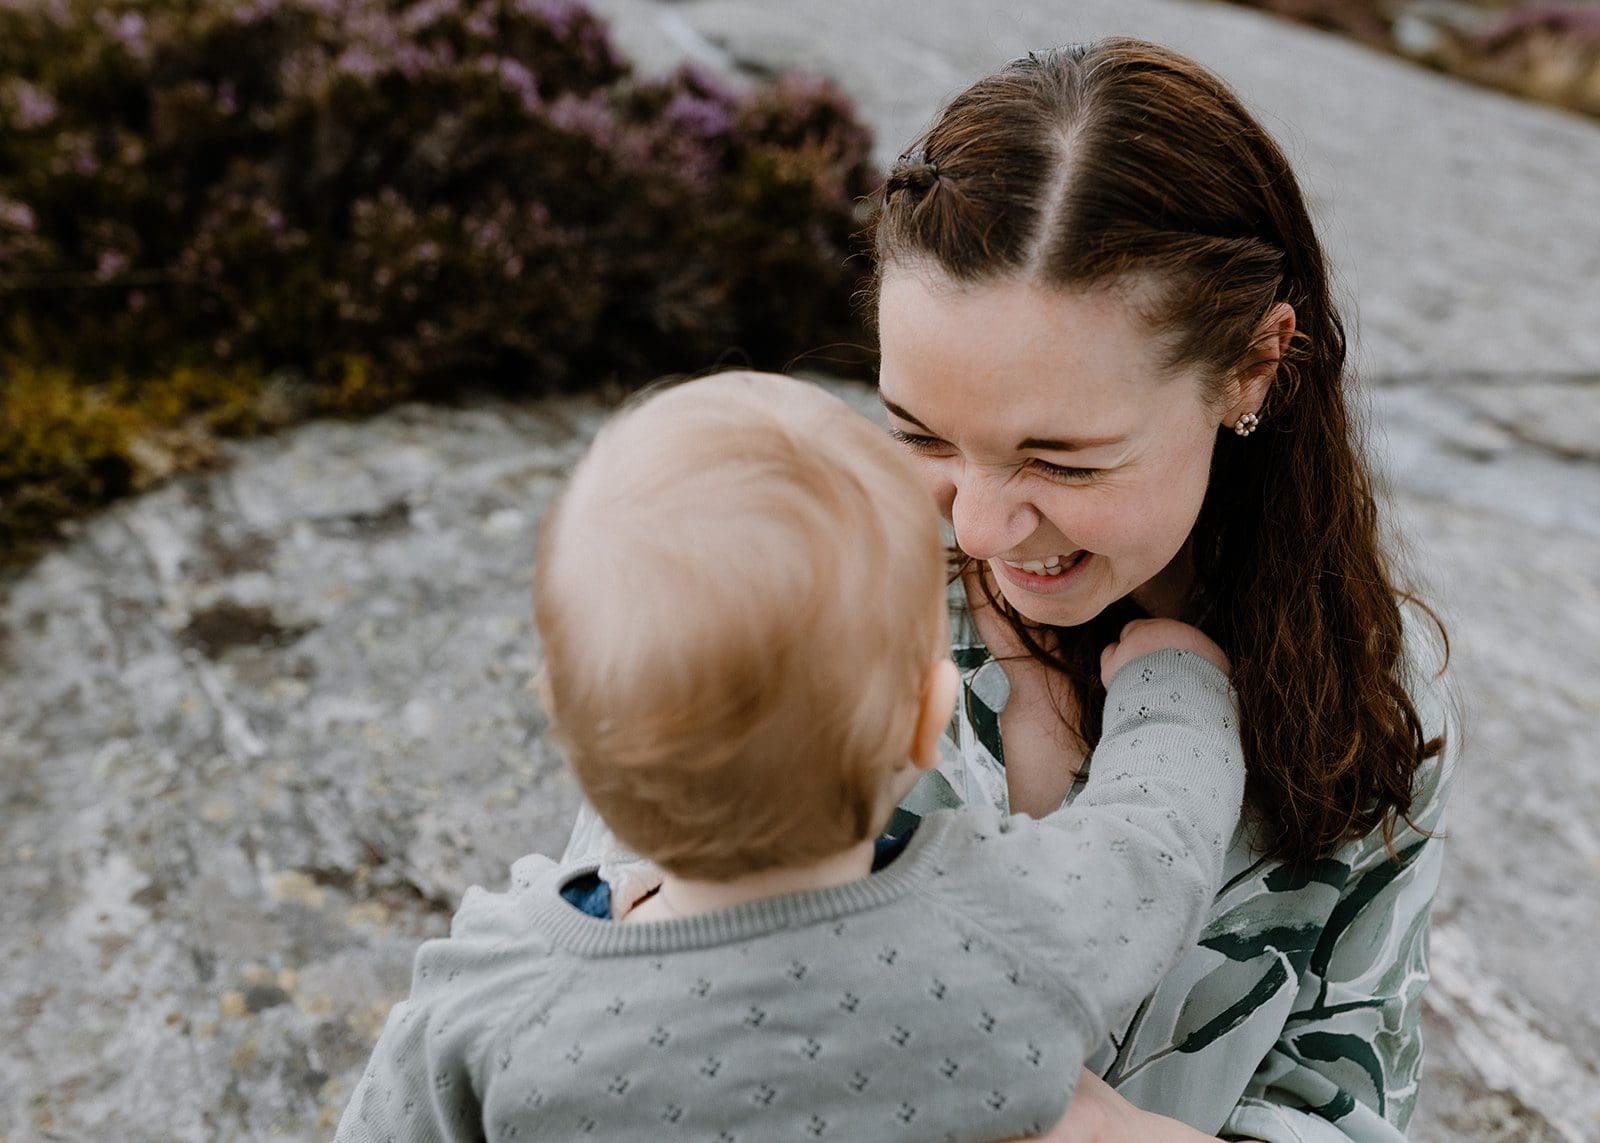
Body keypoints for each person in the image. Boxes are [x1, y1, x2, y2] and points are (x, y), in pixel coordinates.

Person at [336, 371, 1248, 1142]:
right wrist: (1173, 683)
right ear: (925, 717)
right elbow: (1154, 841)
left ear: (568, 729)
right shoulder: (1007, 930)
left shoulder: (495, 992)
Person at [865, 36, 1459, 1143]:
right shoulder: (790, 599)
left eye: (1064, 459)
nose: (982, 527)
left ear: (1254, 367)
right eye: (921, 435)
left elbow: (1345, 1103)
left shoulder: (1376, 701)